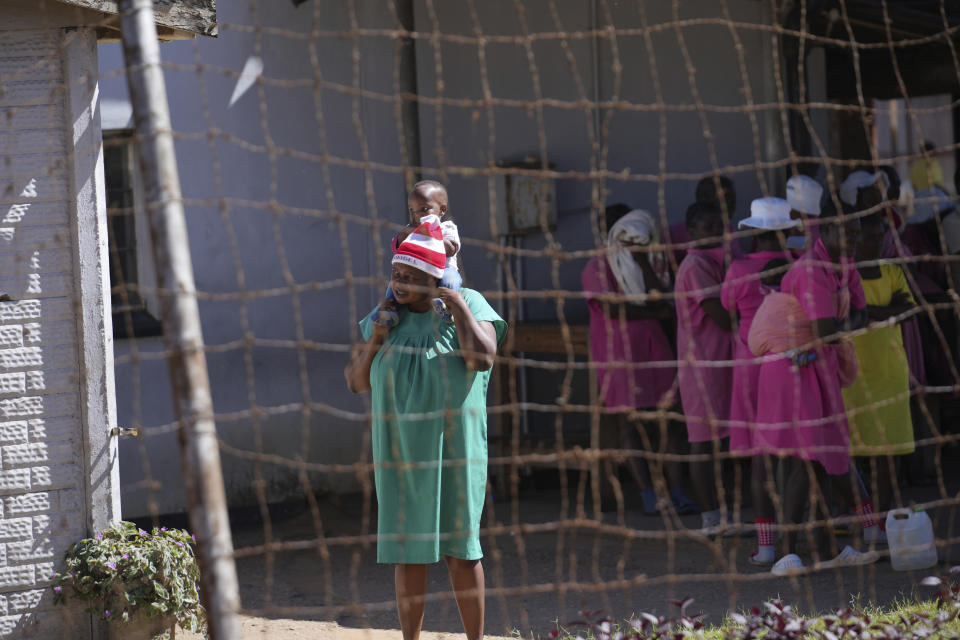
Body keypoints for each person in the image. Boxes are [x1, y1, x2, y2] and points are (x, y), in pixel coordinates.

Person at [344, 214, 506, 640]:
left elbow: (484, 358)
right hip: (400, 453)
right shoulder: (385, 317)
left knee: (462, 552)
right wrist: (377, 336)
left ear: (435, 277)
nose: (398, 281)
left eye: (410, 274)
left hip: (456, 449)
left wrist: (455, 306)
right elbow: (357, 382)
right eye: (395, 272)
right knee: (409, 555)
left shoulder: (467, 303)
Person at [749, 198, 878, 575]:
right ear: (827, 229)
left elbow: (859, 313)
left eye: (856, 231)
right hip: (791, 370)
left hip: (816, 365)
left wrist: (844, 324)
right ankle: (788, 551)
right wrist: (845, 324)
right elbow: (828, 328)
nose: (852, 239)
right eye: (845, 230)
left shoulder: (843, 264)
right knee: (802, 459)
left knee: (821, 459)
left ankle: (825, 549)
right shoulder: (811, 269)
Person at [582, 205, 697, 515]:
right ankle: (648, 495)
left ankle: (677, 491)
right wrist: (655, 311)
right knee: (629, 425)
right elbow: (613, 309)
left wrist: (643, 261)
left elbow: (662, 294)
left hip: (655, 350)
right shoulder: (597, 267)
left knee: (667, 424)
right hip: (619, 355)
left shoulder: (655, 263)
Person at [721, 197, 798, 564]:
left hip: (750, 363)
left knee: (760, 458)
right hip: (791, 360)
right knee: (801, 454)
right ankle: (805, 540)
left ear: (752, 232)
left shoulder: (738, 269)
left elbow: (729, 308)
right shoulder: (796, 265)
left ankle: (766, 546)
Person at [843, 214, 916, 541]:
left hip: (889, 372)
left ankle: (882, 521)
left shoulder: (892, 271)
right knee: (851, 452)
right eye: (864, 237)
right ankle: (857, 517)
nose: (871, 243)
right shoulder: (844, 275)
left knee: (886, 455)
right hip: (851, 373)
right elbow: (843, 316)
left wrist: (866, 312)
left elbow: (906, 310)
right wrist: (885, 311)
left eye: (877, 237)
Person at [674, 200, 734, 533]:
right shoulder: (696, 265)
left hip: (720, 363)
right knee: (704, 441)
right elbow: (723, 315)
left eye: (719, 226)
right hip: (703, 367)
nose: (716, 233)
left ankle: (722, 513)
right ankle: (710, 517)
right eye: (707, 227)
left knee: (720, 441)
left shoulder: (717, 261)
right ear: (692, 231)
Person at [372, 181, 462, 327]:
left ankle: (446, 308)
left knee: (452, 280)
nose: (416, 215)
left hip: (443, 269)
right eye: (411, 210)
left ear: (442, 210)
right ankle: (390, 311)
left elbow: (451, 248)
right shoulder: (411, 229)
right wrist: (408, 234)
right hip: (415, 273)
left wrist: (432, 235)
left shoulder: (447, 227)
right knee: (394, 284)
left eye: (424, 209)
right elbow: (397, 247)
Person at [667, 175, 743, 264]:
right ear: (704, 199)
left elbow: (737, 263)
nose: (732, 203)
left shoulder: (729, 230)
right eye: (725, 197)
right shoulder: (674, 234)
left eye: (732, 198)